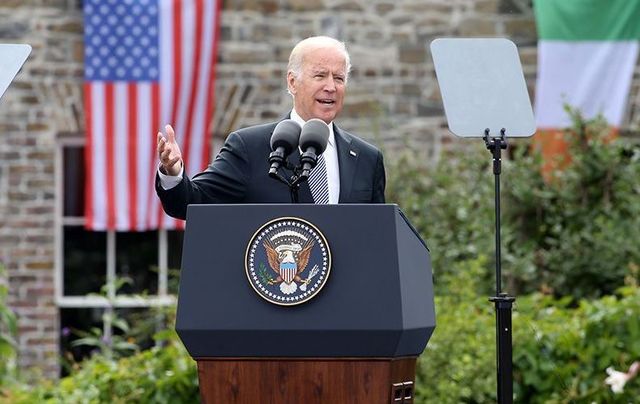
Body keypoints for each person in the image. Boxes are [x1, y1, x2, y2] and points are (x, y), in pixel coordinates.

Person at [156, 36, 386, 219]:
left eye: (339, 78)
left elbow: (379, 232)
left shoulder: (366, 158)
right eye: (320, 75)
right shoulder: (250, 147)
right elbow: (193, 203)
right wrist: (173, 173)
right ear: (292, 82)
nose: (331, 87)